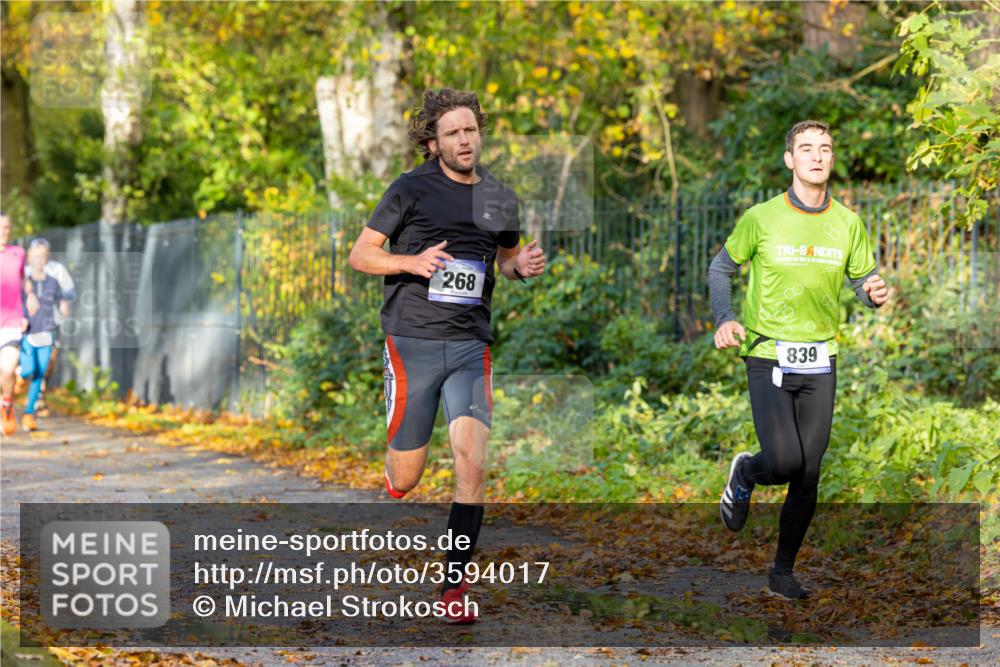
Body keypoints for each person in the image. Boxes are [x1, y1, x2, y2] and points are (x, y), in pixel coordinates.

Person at [348, 88, 546, 623]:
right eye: (453, 132)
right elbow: (361, 254)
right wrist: (411, 263)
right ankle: (395, 439)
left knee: (472, 463)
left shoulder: (501, 198)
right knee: (405, 480)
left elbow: (503, 258)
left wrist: (519, 266)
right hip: (411, 340)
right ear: (433, 142)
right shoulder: (410, 189)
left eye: (471, 131)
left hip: (468, 346)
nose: (464, 140)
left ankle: (452, 589)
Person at [708, 120, 890, 599]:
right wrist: (725, 317)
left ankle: (782, 573)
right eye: (806, 149)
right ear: (789, 159)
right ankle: (747, 471)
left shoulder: (848, 223)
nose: (816, 156)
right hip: (768, 354)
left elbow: (862, 281)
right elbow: (721, 267)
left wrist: (872, 292)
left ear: (831, 159)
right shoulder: (762, 218)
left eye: (825, 149)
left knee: (810, 470)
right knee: (786, 461)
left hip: (820, 358)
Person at [18, 239, 64, 432]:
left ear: (47, 258)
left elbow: (59, 303)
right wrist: (22, 318)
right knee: (27, 370)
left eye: (42, 257)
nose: (39, 260)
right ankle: (16, 381)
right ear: (29, 259)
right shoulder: (23, 283)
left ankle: (29, 414)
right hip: (27, 332)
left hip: (46, 332)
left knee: (39, 374)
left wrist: (63, 308)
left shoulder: (53, 282)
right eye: (35, 257)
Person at [0, 213, 31, 437]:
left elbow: (25, 284)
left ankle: (7, 404)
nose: (4, 231)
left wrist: (29, 307)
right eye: (1, 227)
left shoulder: (18, 253)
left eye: (7, 227)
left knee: (9, 369)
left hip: (11, 322)